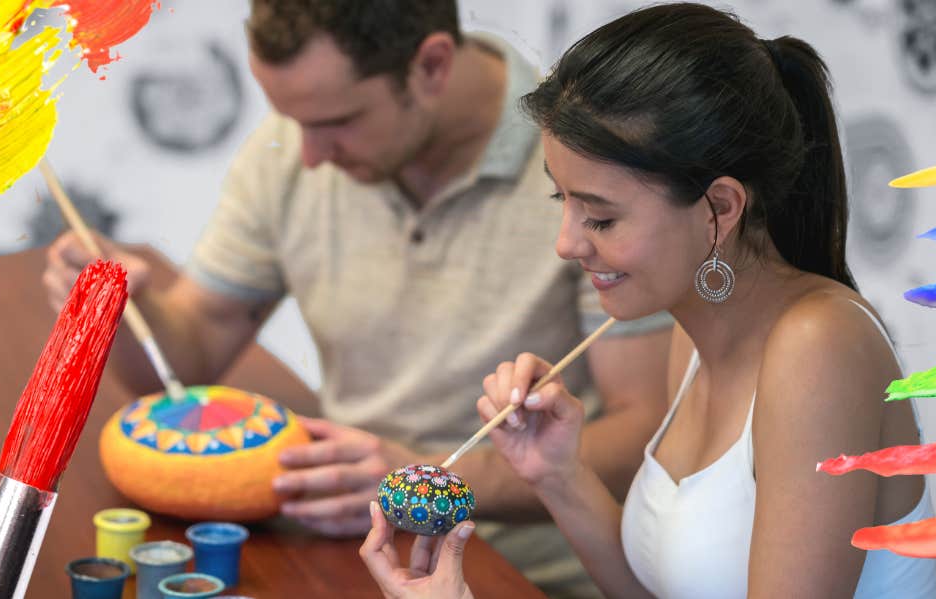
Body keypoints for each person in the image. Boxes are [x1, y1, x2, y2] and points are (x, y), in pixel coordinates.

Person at [42, 1, 672, 596]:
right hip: (350, 548)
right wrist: (118, 311)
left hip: (525, 572)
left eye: (337, 123)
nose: (310, 156)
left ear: (430, 66)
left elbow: (643, 433)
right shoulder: (293, 148)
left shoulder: (584, 169)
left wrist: (416, 484)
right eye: (293, 123)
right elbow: (186, 363)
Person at [360, 3, 936, 597]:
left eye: (602, 217)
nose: (565, 244)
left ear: (719, 208)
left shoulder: (819, 347)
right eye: (560, 199)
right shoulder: (691, 329)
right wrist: (556, 474)